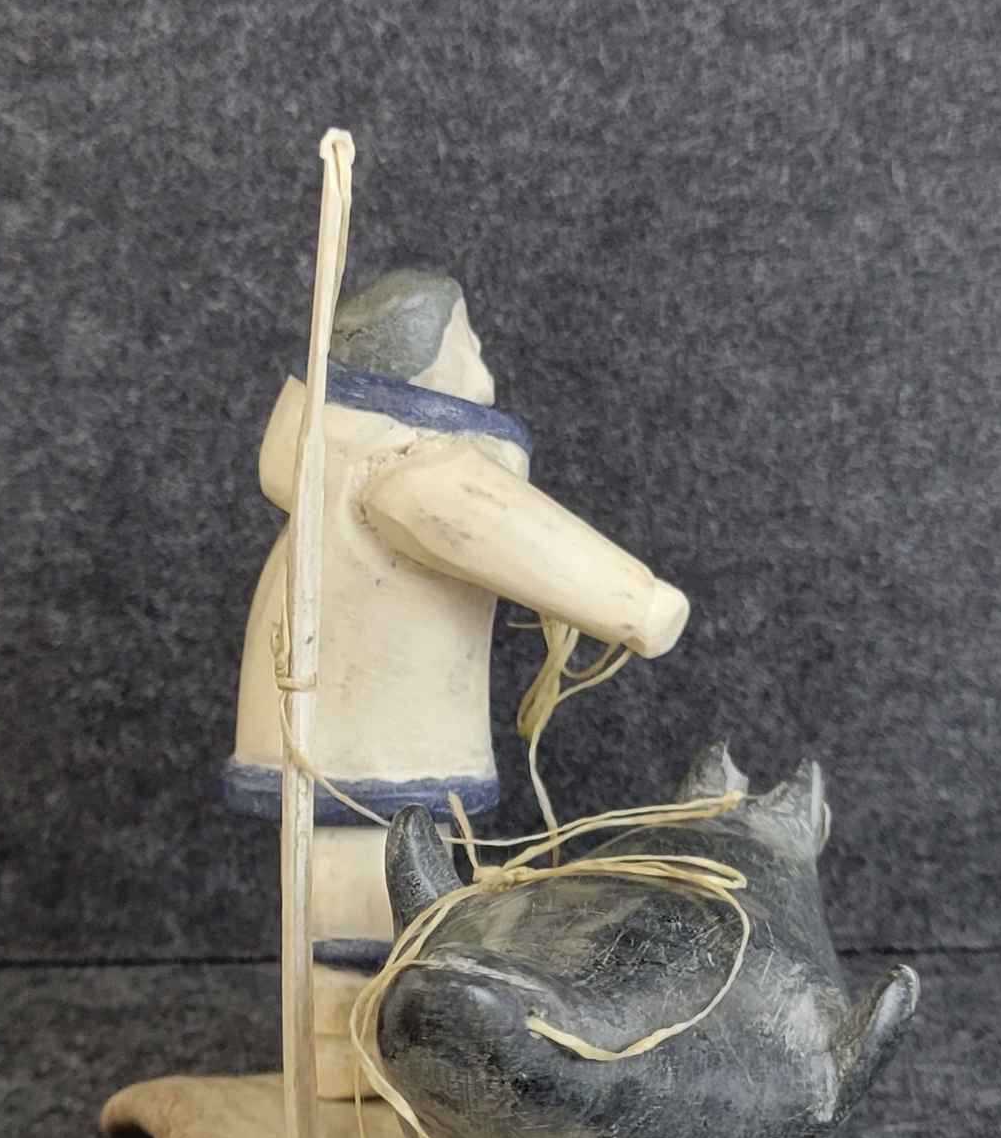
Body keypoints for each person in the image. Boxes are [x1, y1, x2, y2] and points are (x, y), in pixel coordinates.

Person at [225, 269, 690, 1092]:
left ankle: (360, 1062)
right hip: (375, 746)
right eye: (466, 337)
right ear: (426, 362)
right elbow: (509, 531)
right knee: (383, 907)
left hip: (344, 732)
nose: (481, 352)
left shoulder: (339, 455)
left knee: (357, 900)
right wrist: (641, 604)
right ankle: (356, 1074)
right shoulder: (412, 464)